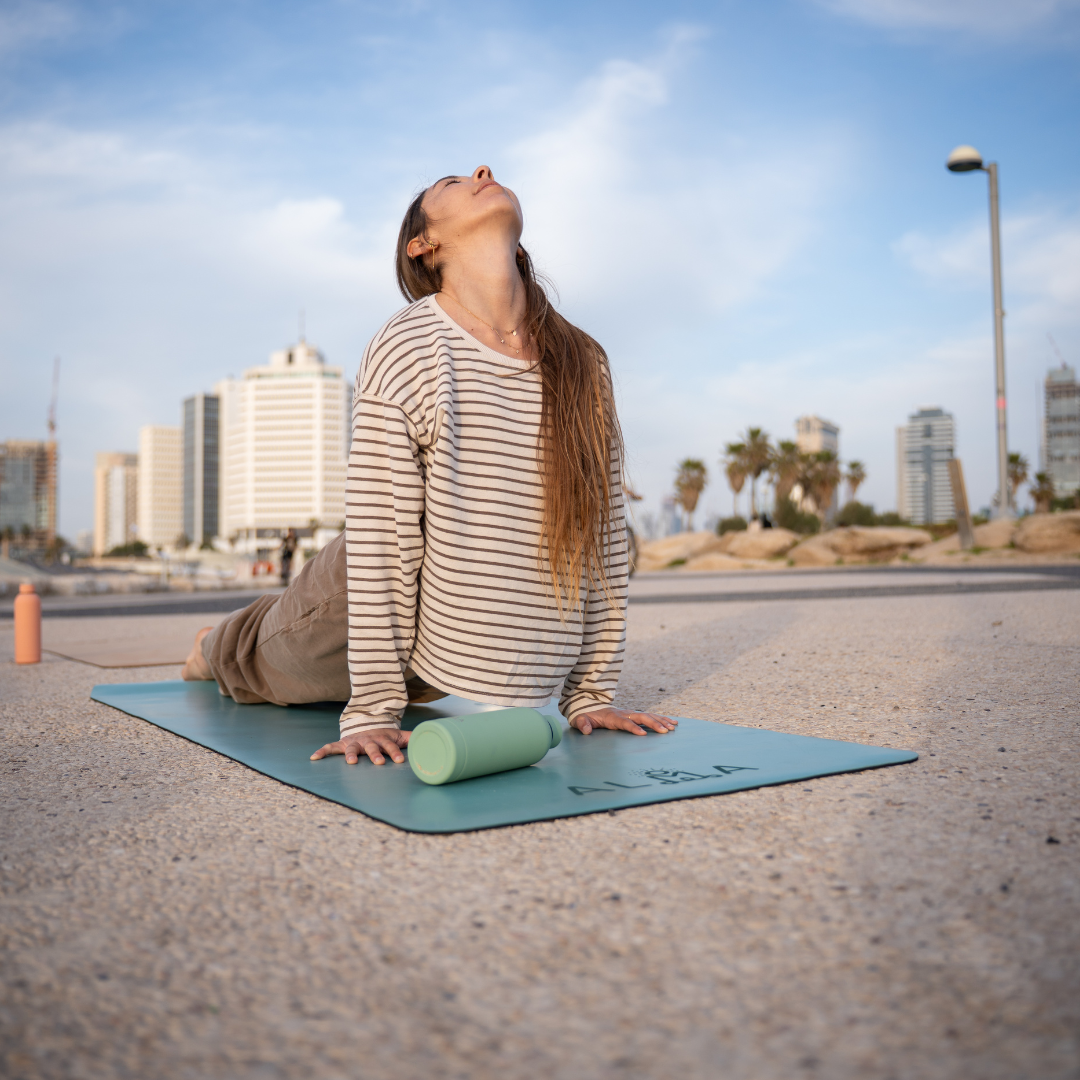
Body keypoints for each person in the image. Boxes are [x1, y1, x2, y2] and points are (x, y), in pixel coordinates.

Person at [182, 165, 676, 765]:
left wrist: (589, 694)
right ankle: (214, 644)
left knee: (378, 683)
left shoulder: (582, 361)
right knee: (260, 668)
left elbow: (599, 539)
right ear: (425, 245)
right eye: (451, 182)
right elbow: (382, 539)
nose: (483, 172)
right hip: (357, 602)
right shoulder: (409, 345)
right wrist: (370, 711)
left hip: (447, 647)